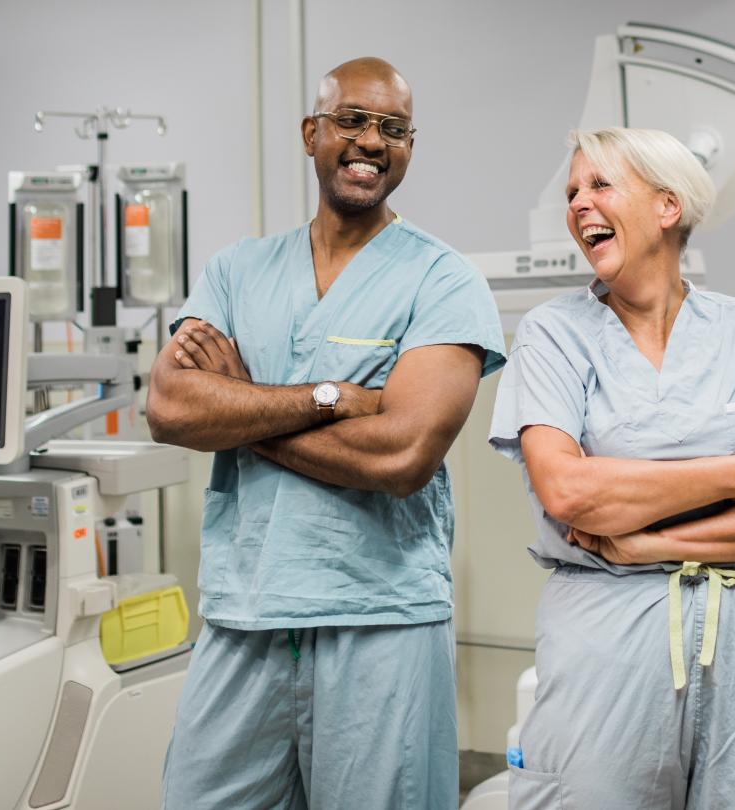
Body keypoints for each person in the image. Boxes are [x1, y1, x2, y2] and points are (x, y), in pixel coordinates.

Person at [147, 56, 505, 810]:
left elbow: (404, 454)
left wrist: (238, 406)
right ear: (312, 133)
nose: (372, 141)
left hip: (378, 617)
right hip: (245, 613)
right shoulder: (237, 271)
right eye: (352, 120)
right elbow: (174, 410)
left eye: (394, 129)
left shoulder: (441, 281)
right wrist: (331, 398)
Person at [488, 126, 735, 809]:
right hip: (605, 639)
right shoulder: (553, 335)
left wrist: (647, 541)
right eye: (571, 191)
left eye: (599, 184)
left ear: (667, 206)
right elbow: (569, 491)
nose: (577, 204)